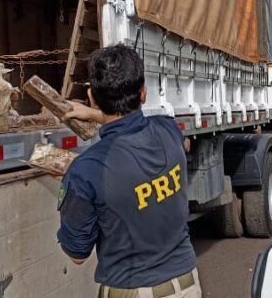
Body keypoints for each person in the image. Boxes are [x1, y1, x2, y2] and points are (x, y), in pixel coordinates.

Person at [59, 44, 200, 298]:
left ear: (91, 96)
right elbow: (133, 123)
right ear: (143, 94)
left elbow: (77, 254)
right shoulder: (169, 130)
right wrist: (95, 114)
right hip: (188, 285)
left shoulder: (86, 171)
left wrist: (72, 185)